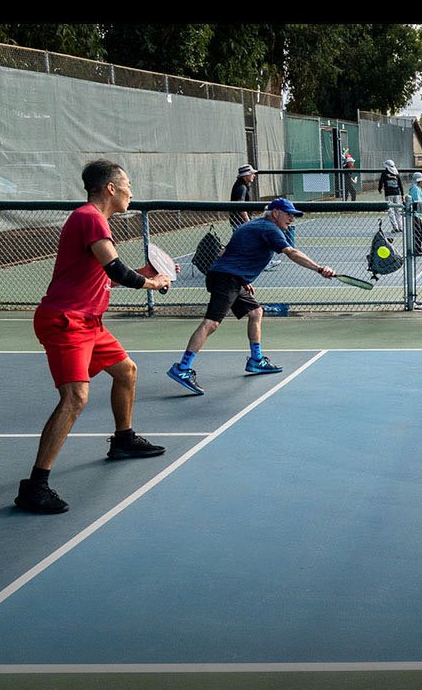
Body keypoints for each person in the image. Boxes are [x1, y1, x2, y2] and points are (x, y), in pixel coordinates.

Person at [18, 160, 172, 514]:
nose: (132, 191)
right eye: (128, 184)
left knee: (126, 371)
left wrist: (148, 273)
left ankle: (124, 439)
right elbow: (115, 267)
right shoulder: (90, 217)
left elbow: (105, 276)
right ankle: (35, 486)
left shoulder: (93, 222)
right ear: (111, 189)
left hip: (90, 322)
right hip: (65, 321)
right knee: (75, 398)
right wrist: (152, 283)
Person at [166, 198, 335, 395]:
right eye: (288, 214)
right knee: (211, 323)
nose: (291, 218)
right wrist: (319, 269)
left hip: (230, 277)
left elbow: (225, 252)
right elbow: (291, 252)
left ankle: (256, 360)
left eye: (293, 215)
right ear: (275, 213)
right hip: (227, 279)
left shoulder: (252, 225)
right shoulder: (270, 229)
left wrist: (243, 278)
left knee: (256, 312)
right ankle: (183, 368)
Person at [379, 159, 406, 232]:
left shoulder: (384, 173)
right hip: (397, 193)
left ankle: (395, 227)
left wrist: (380, 189)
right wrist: (402, 194)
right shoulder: (396, 173)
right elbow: (400, 184)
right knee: (397, 210)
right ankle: (400, 227)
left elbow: (381, 182)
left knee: (390, 210)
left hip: (388, 194)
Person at [406, 172, 422, 256]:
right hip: (414, 214)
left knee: (420, 230)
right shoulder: (415, 189)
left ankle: (418, 247)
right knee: (417, 231)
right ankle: (416, 249)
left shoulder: (418, 188)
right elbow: (417, 201)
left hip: (417, 214)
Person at [230, 164, 259, 230]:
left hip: (240, 223)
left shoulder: (242, 185)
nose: (254, 175)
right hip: (240, 223)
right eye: (252, 173)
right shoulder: (241, 187)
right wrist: (248, 221)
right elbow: (241, 206)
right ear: (245, 175)